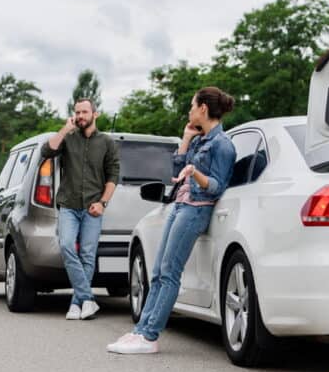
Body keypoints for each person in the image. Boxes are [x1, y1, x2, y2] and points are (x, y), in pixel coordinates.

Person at [107, 87, 236, 354]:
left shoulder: (223, 145)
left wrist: (196, 173)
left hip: (196, 210)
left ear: (203, 109)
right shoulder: (201, 141)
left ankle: (150, 337)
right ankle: (140, 330)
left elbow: (217, 186)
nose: (189, 111)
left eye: (192, 106)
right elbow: (176, 174)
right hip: (180, 205)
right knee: (158, 272)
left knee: (169, 273)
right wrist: (186, 140)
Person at [41, 98, 120, 320]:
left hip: (93, 207)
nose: (80, 116)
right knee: (66, 245)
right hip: (69, 205)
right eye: (77, 112)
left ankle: (77, 303)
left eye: (85, 112)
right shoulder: (68, 138)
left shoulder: (106, 142)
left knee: (87, 254)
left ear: (95, 114)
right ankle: (87, 298)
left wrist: (103, 203)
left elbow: (113, 175)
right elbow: (47, 151)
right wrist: (66, 128)